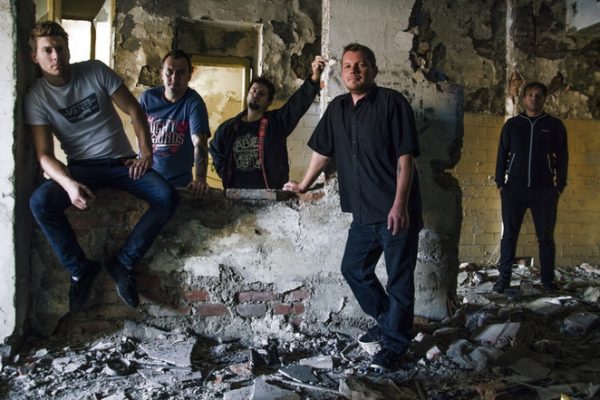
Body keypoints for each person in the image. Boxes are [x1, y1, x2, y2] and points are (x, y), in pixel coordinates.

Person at [284, 43, 423, 371]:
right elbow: (322, 151)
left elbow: (405, 160)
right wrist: (303, 184)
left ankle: (395, 346)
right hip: (362, 212)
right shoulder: (337, 108)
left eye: (361, 65)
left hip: (395, 211)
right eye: (347, 66)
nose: (353, 71)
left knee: (399, 279)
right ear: (342, 72)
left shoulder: (392, 103)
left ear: (373, 70)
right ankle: (391, 323)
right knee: (354, 269)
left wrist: (400, 205)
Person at [26, 21, 179, 312]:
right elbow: (44, 155)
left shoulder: (95, 71)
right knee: (40, 202)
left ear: (68, 50)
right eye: (47, 50)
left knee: (167, 196)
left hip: (122, 162)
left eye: (60, 48)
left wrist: (146, 155)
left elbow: (135, 110)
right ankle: (80, 270)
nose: (56, 56)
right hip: (82, 168)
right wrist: (69, 185)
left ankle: (123, 263)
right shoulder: (36, 97)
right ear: (35, 56)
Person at [493, 81, 568, 294]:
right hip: (514, 190)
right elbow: (502, 154)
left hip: (544, 191)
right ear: (524, 98)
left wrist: (559, 186)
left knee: (546, 238)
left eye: (538, 95)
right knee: (509, 236)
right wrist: (500, 184)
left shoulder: (554, 126)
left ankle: (548, 281)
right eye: (530, 95)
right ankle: (503, 280)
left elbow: (562, 156)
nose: (534, 98)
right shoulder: (513, 125)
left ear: (544, 99)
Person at [208, 56, 325, 189]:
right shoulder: (229, 128)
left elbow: (297, 104)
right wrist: (225, 173)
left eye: (262, 93)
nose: (256, 94)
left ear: (268, 102)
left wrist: (314, 79)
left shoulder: (276, 123)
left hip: (269, 194)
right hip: (235, 194)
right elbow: (214, 149)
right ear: (248, 94)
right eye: (254, 90)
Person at [139, 49, 211, 196]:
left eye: (181, 72)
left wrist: (200, 179)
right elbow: (139, 134)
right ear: (161, 73)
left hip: (180, 183)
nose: (175, 77)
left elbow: (200, 142)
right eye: (169, 72)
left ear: (189, 75)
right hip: (148, 177)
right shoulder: (147, 99)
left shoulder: (194, 102)